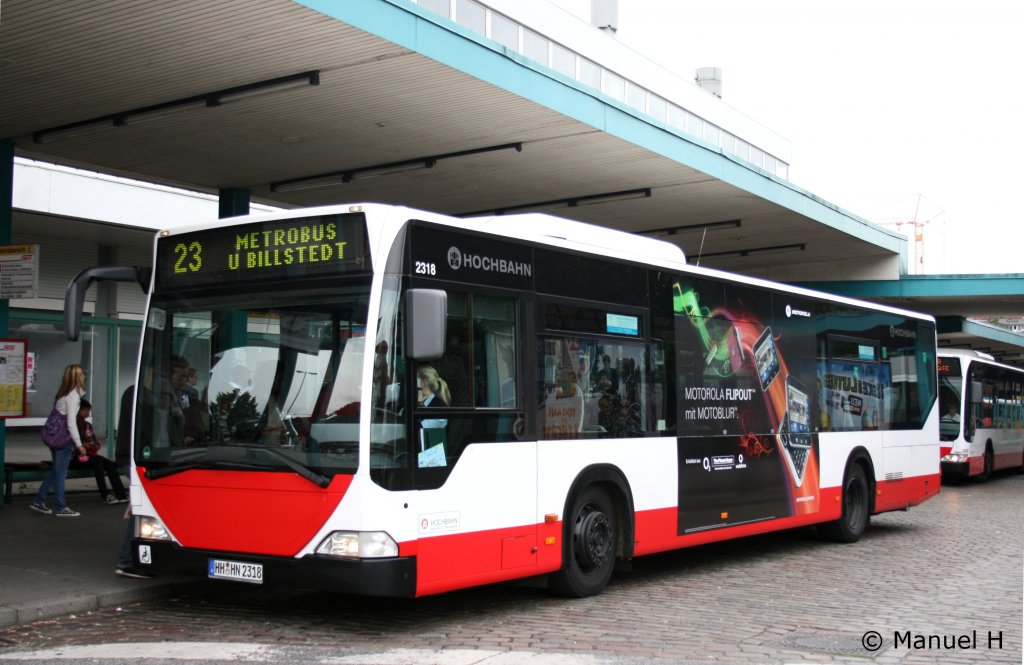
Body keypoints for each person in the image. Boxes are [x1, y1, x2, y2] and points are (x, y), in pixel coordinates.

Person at [30, 363, 88, 517]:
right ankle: (61, 507)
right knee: (61, 473)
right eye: (82, 374)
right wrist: (79, 445)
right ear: (77, 377)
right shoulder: (73, 395)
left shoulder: (63, 393)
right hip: (63, 439)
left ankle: (39, 500)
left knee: (55, 470)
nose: (84, 376)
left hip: (54, 436)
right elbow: (71, 423)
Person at [67, 398, 129, 504]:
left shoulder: (86, 425)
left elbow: (95, 443)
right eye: (85, 410)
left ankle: (121, 494)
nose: (87, 413)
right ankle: (106, 495)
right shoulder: (73, 424)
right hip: (75, 457)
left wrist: (89, 446)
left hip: (88, 456)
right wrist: (85, 446)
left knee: (109, 464)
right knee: (98, 463)